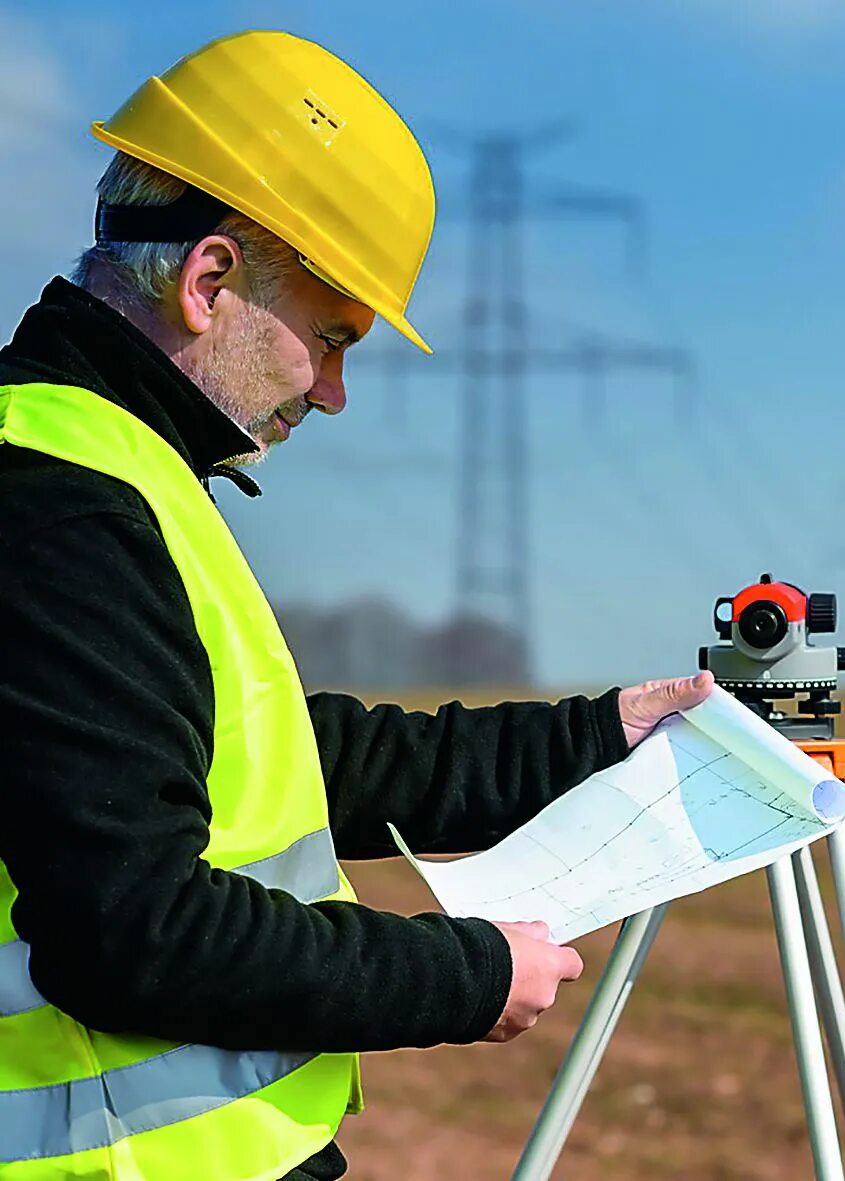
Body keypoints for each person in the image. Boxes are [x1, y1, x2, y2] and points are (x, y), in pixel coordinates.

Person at [0, 32, 711, 1181]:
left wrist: (596, 735)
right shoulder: (62, 509)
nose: (332, 394)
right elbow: (131, 928)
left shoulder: (106, 467)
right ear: (209, 281)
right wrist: (463, 974)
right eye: (331, 340)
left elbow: (279, 755)